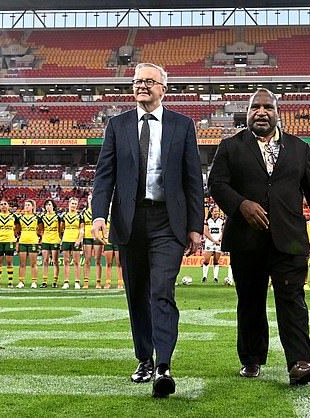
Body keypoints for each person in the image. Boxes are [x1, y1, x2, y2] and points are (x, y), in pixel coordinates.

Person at [208, 88, 310, 386]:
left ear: (278, 113)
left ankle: (300, 361)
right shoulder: (230, 146)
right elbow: (216, 183)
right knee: (250, 301)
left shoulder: (299, 147)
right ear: (247, 112)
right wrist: (241, 205)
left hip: (289, 238)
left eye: (267, 107)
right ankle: (251, 359)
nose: (261, 112)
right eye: (255, 107)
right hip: (245, 238)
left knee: (292, 298)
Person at [92, 62, 203, 398]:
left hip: (168, 223)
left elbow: (192, 179)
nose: (142, 86)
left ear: (163, 88)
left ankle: (164, 365)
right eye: (137, 81)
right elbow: (104, 175)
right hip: (129, 221)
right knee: (136, 295)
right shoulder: (118, 124)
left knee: (161, 292)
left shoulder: (183, 125)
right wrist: (99, 215)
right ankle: (144, 358)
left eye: (149, 81)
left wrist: (195, 227)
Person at [15, 199, 42, 288]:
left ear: (33, 207)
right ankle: (21, 281)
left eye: (28, 205)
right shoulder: (20, 218)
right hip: (22, 242)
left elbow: (41, 229)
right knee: (22, 263)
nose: (26, 206)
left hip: (33, 242)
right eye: (25, 205)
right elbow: (17, 229)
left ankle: (34, 282)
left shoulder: (37, 218)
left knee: (33, 264)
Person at [60, 197, 84, 289]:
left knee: (76, 262)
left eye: (75, 204)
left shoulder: (80, 216)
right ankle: (66, 282)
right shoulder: (64, 215)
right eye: (72, 203)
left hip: (75, 240)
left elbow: (82, 229)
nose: (73, 205)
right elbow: (61, 228)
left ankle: (77, 282)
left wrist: (79, 240)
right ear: (69, 204)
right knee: (66, 261)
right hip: (66, 240)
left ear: (77, 205)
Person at [0, 199, 16, 288]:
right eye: (1, 204)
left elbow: (17, 227)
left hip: (9, 240)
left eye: (5, 204)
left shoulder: (13, 216)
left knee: (9, 262)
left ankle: (10, 282)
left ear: (8, 206)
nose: (3, 205)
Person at [40, 199, 61, 288]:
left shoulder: (57, 217)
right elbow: (40, 229)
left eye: (49, 204)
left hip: (55, 240)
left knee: (55, 261)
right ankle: (44, 281)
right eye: (46, 205)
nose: (48, 206)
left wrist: (57, 236)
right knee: (45, 261)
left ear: (53, 206)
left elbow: (60, 229)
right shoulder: (42, 217)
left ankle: (55, 281)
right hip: (45, 240)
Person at [202, 205, 224, 284]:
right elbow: (206, 232)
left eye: (217, 211)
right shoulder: (207, 221)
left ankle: (215, 278)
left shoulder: (221, 221)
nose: (217, 212)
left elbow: (223, 231)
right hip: (210, 242)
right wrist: (214, 241)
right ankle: (204, 276)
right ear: (211, 212)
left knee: (216, 260)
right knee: (206, 260)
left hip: (218, 242)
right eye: (215, 211)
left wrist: (219, 240)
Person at [81, 193, 97, 289]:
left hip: (96, 237)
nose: (91, 200)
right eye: (89, 198)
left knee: (97, 260)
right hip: (87, 238)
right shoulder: (84, 212)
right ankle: (86, 282)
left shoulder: (98, 211)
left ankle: (98, 282)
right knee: (87, 260)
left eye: (92, 198)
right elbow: (82, 227)